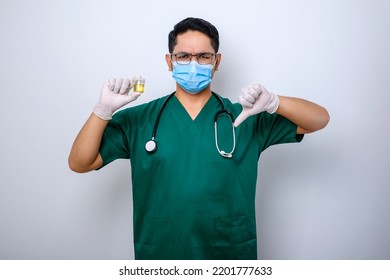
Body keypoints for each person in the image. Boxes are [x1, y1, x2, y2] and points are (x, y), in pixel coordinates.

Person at [68, 17, 329, 260]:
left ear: (217, 61)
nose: (193, 64)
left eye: (204, 56)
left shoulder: (246, 116)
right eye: (183, 56)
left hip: (228, 252)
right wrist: (102, 111)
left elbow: (319, 120)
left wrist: (274, 102)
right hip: (161, 251)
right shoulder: (140, 119)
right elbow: (80, 162)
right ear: (169, 61)